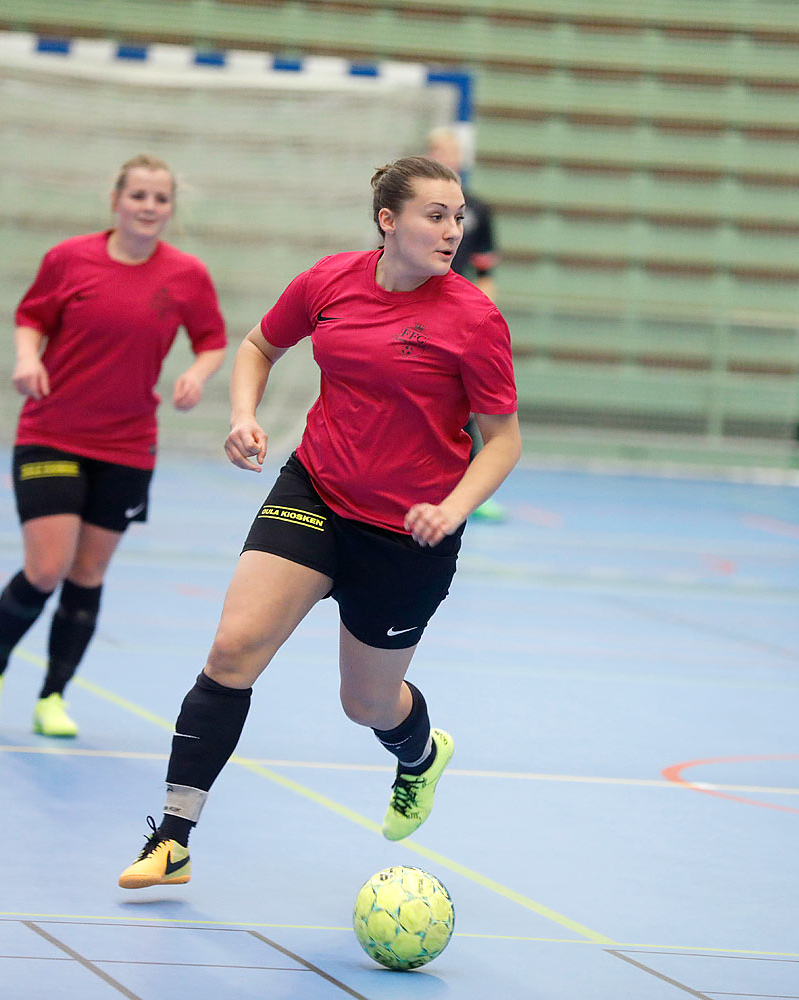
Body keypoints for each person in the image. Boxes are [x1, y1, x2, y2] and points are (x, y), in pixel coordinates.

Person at [117, 155, 520, 889]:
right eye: (436, 214)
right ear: (388, 221)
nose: (453, 230)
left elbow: (504, 440)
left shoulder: (474, 319)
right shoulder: (329, 282)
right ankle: (172, 840)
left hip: (409, 534)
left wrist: (453, 507)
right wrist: (242, 416)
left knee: (364, 703)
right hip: (317, 492)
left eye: (458, 216)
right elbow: (257, 346)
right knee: (233, 650)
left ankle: (420, 754)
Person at [0, 154, 228, 739]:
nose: (149, 207)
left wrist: (197, 375)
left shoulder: (186, 274)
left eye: (160, 199)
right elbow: (31, 316)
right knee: (47, 568)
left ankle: (52, 697)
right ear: (116, 200)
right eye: (138, 196)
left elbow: (212, 339)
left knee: (87, 574)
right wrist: (27, 356)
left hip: (128, 444)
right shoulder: (69, 258)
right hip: (51, 431)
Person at [426, 126, 506, 522]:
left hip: (458, 317)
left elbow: (485, 268)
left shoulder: (478, 209)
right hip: (419, 311)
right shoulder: (412, 210)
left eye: (453, 151)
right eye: (440, 150)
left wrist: (484, 312)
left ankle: (473, 491)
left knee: (472, 403)